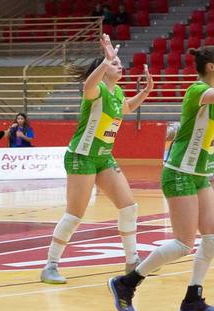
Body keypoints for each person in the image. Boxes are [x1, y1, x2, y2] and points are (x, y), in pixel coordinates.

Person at [108, 42, 214, 311]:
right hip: (180, 172)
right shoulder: (198, 91)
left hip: (200, 174)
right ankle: (127, 282)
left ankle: (192, 299)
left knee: (213, 238)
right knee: (182, 243)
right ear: (212, 67)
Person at [41, 34, 152, 285]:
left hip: (103, 158)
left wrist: (145, 92)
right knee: (74, 215)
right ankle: (50, 265)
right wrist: (106, 61)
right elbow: (87, 86)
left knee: (129, 207)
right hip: (82, 156)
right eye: (115, 63)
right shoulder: (97, 89)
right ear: (103, 69)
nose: (119, 65)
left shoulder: (116, 92)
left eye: (119, 62)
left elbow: (127, 108)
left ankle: (132, 261)